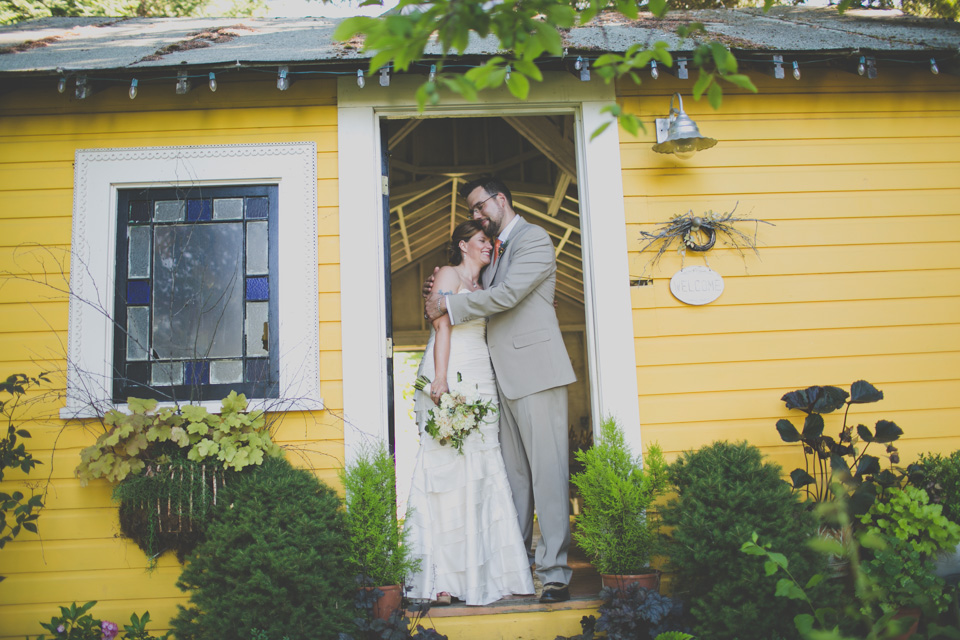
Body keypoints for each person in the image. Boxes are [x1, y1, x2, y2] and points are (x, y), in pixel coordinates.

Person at [424, 177, 576, 604]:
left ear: (501, 200)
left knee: (547, 474)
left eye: (479, 207)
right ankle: (518, 566)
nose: (476, 215)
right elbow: (478, 290)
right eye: (472, 212)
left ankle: (555, 573)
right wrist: (443, 286)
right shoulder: (493, 253)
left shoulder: (534, 239)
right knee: (515, 479)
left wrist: (449, 302)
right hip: (496, 378)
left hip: (536, 372)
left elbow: (507, 296)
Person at [406, 219, 535, 606]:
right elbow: (442, 326)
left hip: (482, 378)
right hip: (451, 370)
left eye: (491, 240)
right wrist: (441, 378)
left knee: (483, 469)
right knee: (447, 471)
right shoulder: (449, 274)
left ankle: (491, 574)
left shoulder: (488, 282)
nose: (488, 245)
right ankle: (443, 580)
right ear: (463, 245)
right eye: (481, 240)